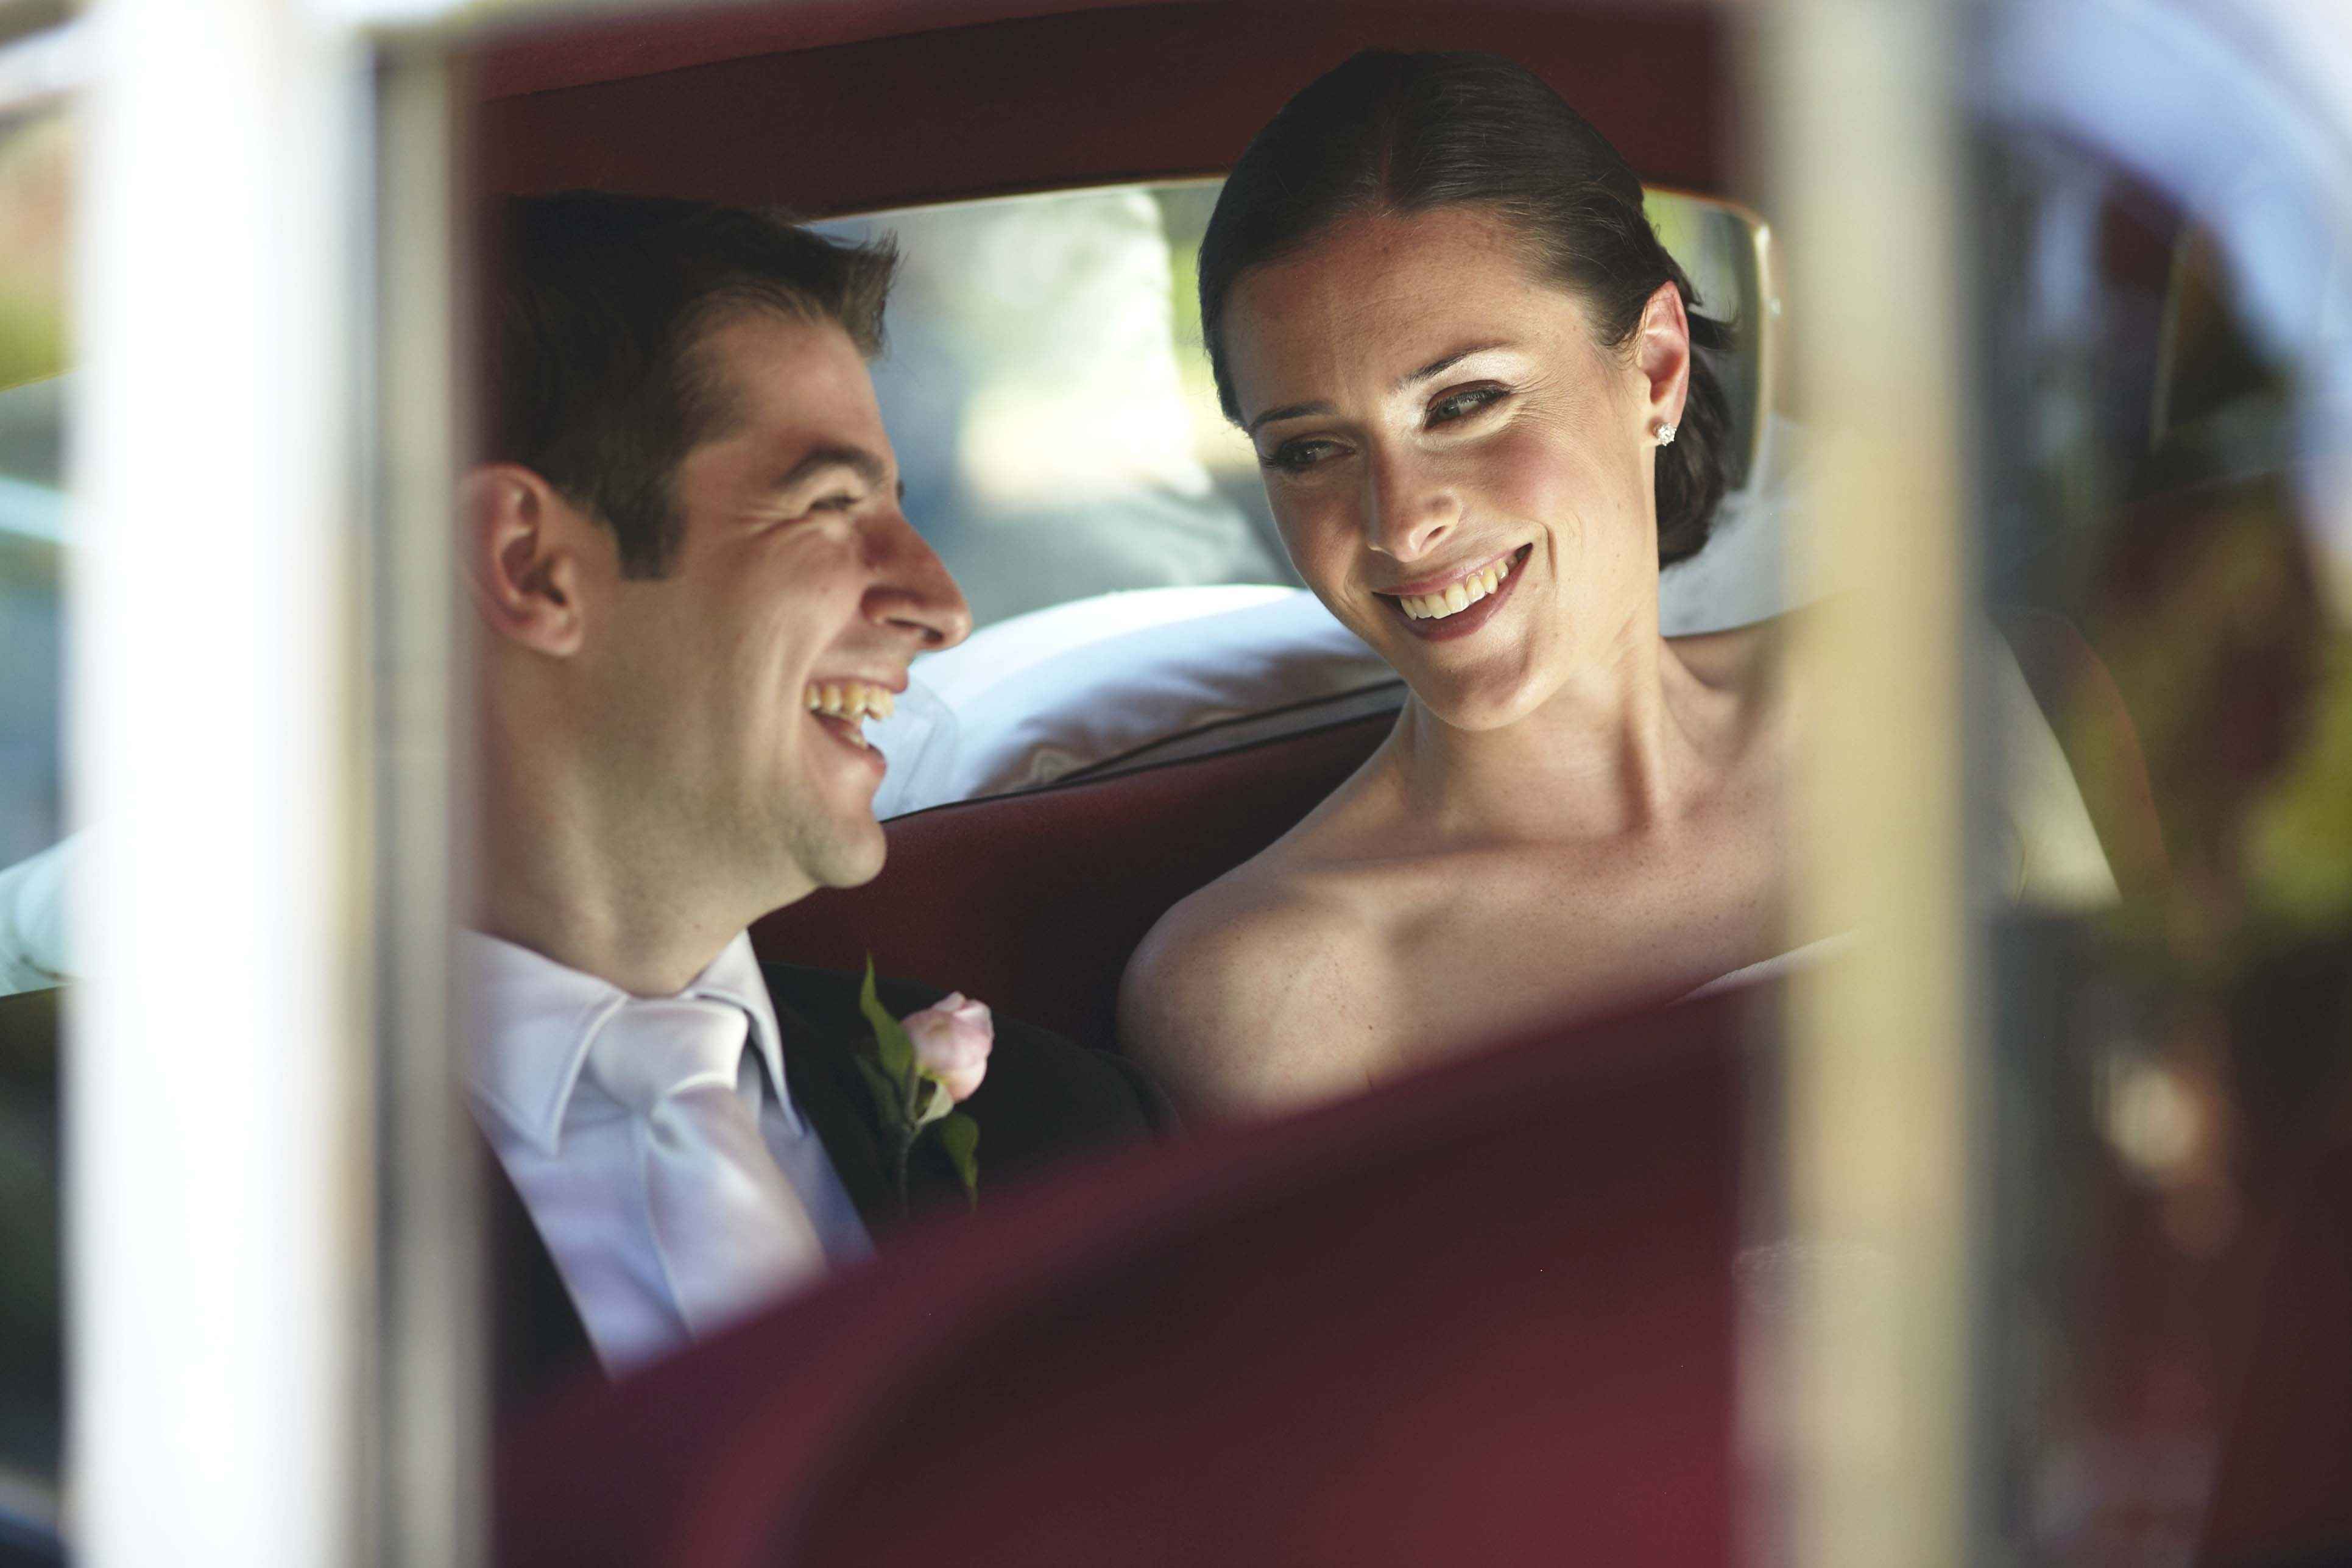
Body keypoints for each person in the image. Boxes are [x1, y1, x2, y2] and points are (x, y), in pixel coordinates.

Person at [1117, 50, 2113, 1122]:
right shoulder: (1266, 989)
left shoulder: (1936, 685)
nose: (1399, 523)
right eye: (1311, 451)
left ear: (1654, 368)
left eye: (1464, 403)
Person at [467, 194, 1168, 1394]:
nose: (940, 606)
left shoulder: (1056, 1126)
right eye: (833, 505)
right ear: (530, 564)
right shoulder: (122, 1204)